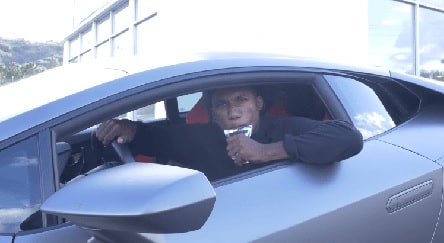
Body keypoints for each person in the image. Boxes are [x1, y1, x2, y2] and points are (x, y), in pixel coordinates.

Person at [96, 86, 363, 181]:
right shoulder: (204, 136)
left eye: (241, 100)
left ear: (257, 104)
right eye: (222, 105)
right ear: (212, 112)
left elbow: (348, 137)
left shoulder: (284, 127)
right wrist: (129, 129)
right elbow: (160, 138)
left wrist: (266, 151)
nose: (233, 112)